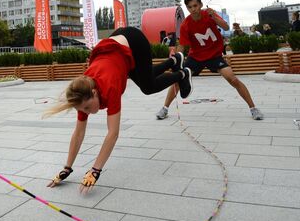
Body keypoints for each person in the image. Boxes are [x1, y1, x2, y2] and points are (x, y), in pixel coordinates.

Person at [45, 27, 192, 193]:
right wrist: (67, 168)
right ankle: (174, 61)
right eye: (82, 110)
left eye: (86, 108)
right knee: (145, 79)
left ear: (94, 93)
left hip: (134, 41)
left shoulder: (109, 87)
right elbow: (78, 133)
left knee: (148, 87)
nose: (85, 112)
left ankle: (183, 74)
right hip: (115, 48)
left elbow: (112, 133)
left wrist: (95, 170)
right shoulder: (82, 93)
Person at [156, 0, 263, 121]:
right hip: (195, 57)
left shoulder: (210, 14)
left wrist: (215, 18)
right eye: (190, 7)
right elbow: (182, 46)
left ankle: (253, 108)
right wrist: (177, 58)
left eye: (195, 5)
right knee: (178, 80)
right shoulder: (186, 25)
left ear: (200, 4)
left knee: (232, 79)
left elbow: (226, 27)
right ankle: (165, 109)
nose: (193, 9)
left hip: (215, 55)